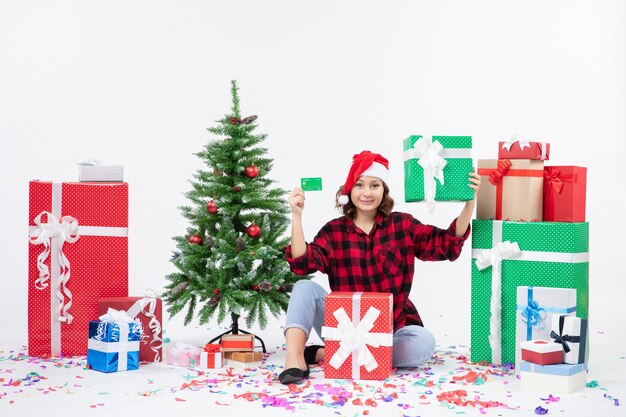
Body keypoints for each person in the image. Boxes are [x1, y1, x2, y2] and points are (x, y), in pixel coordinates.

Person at [279, 150, 481, 385]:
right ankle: (295, 359)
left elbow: (445, 245)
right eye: (360, 185)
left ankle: (328, 354)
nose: (367, 193)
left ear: (384, 191)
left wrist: (469, 204)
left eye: (375, 185)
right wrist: (297, 216)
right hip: (344, 325)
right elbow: (302, 264)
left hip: (391, 329)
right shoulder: (333, 231)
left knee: (423, 342)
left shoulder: (402, 225)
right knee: (304, 286)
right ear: (349, 191)